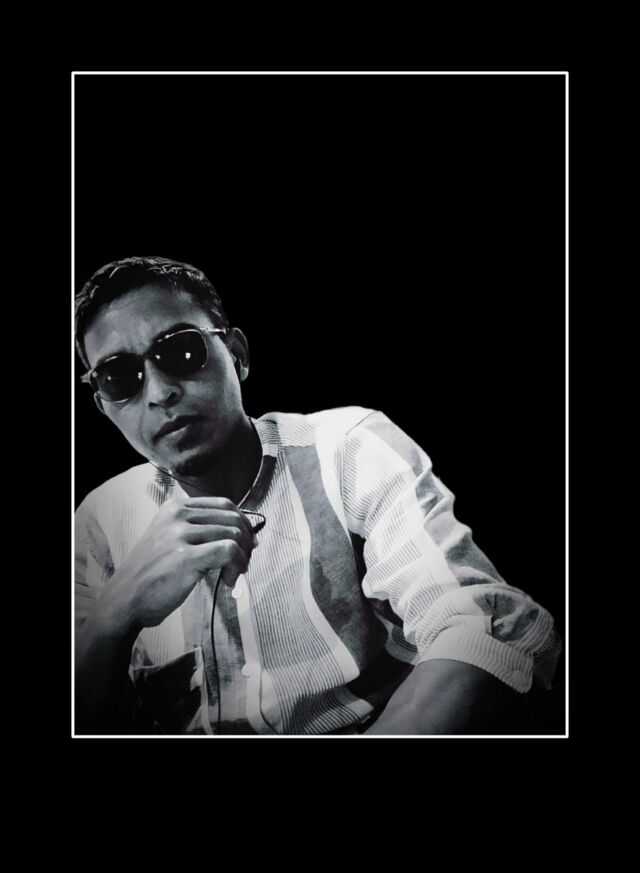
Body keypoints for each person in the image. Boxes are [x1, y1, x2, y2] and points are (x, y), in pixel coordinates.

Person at [74, 255, 560, 735]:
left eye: (180, 351)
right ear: (103, 405)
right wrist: (114, 614)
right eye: (119, 377)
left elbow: (485, 628)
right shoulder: (99, 524)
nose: (159, 392)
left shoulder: (348, 449)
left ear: (237, 355)